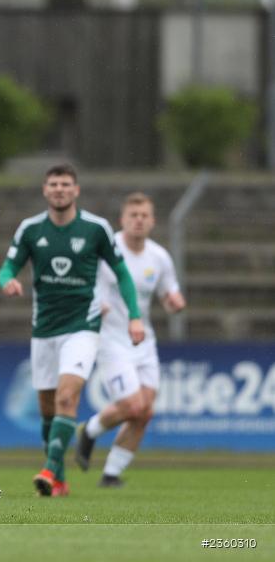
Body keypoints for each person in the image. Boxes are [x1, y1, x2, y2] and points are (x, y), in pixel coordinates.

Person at [0, 163, 145, 497]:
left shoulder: (96, 228)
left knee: (67, 397)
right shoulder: (31, 229)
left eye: (65, 184)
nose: (59, 189)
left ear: (76, 190)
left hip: (83, 326)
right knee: (48, 409)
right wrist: (8, 282)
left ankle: (49, 470)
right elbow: (7, 268)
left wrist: (134, 316)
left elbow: (122, 273)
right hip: (44, 329)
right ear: (45, 191)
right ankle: (59, 479)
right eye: (53, 184)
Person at [74, 192, 186, 487]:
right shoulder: (105, 253)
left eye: (144, 216)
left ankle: (111, 474)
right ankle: (89, 430)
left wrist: (174, 301)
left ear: (152, 221)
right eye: (133, 215)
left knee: (145, 412)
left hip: (144, 341)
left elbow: (167, 291)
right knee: (133, 405)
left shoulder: (159, 257)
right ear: (122, 220)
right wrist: (99, 303)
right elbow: (85, 285)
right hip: (111, 341)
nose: (138, 220)